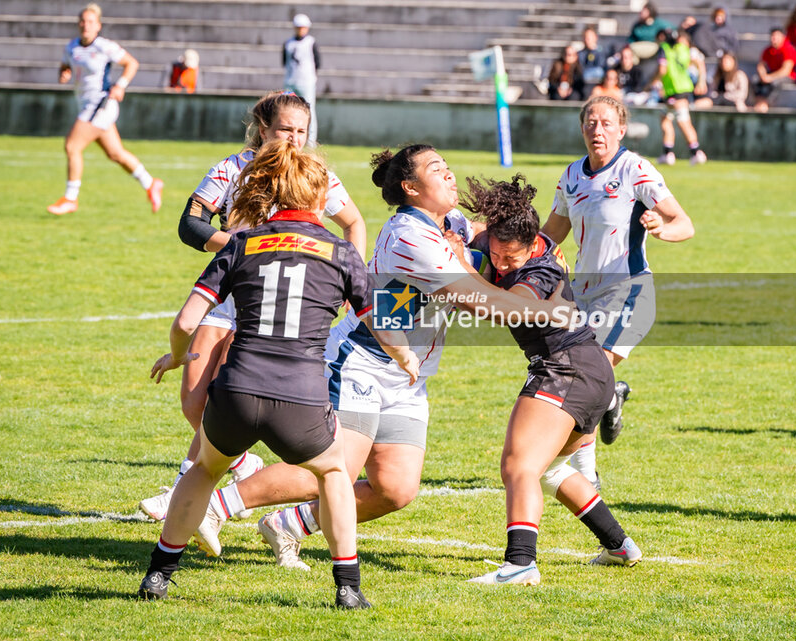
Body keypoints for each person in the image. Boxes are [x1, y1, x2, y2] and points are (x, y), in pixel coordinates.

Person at [188, 145, 577, 567]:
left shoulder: (450, 223)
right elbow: (480, 302)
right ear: (410, 188)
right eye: (436, 169)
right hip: (364, 361)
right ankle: (211, 507)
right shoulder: (411, 236)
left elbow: (484, 233)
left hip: (409, 374)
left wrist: (536, 249)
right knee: (330, 468)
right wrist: (548, 306)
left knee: (396, 488)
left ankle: (290, 526)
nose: (449, 175)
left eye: (446, 166)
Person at [136, 140, 420, 609]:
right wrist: (405, 356)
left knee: (205, 469)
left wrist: (176, 357)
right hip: (302, 399)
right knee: (332, 473)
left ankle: (159, 575)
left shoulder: (241, 243)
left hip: (238, 392)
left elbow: (187, 322)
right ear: (317, 198)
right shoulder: (341, 251)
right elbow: (381, 321)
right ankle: (347, 587)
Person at [138, 91, 367, 522]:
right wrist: (246, 248)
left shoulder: (314, 173)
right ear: (264, 130)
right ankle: (243, 464)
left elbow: (354, 222)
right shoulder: (232, 167)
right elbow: (191, 224)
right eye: (285, 129)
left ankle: (187, 492)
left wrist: (344, 280)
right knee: (193, 400)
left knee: (232, 389)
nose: (294, 139)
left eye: (302, 131)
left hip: (279, 299)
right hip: (231, 289)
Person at [455, 175, 642, 585]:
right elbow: (473, 233)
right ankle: (620, 546)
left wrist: (459, 275)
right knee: (552, 470)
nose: (503, 264)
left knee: (518, 465)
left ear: (531, 245)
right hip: (591, 374)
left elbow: (508, 307)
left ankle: (521, 563)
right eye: (498, 255)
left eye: (511, 259)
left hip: (565, 368)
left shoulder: (541, 272)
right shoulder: (501, 237)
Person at [541, 95, 695, 489]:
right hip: (582, 295)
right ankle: (611, 399)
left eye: (607, 123)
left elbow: (684, 223)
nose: (598, 130)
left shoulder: (635, 169)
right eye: (591, 123)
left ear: (621, 129)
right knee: (582, 378)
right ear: (582, 129)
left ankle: (587, 472)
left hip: (627, 290)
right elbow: (550, 234)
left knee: (588, 377)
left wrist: (662, 228)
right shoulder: (572, 176)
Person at [48, 3, 163, 216]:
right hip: (86, 105)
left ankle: (70, 199)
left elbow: (131, 63)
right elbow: (66, 66)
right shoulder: (71, 47)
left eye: (90, 22)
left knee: (72, 146)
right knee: (116, 154)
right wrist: (63, 73)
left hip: (100, 105)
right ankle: (151, 183)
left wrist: (120, 85)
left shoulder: (104, 46)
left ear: (98, 26)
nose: (86, 25)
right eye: (82, 21)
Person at [651, 29, 707, 166]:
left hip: (675, 90)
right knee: (665, 118)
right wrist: (701, 81)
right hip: (681, 89)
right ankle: (667, 153)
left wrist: (652, 81)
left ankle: (696, 152)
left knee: (683, 121)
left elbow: (662, 70)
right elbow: (699, 62)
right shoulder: (683, 48)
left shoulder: (664, 49)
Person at [283, 14, 320, 145]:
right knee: (286, 109)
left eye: (303, 27)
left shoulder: (311, 42)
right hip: (290, 81)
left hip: (306, 83)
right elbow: (285, 62)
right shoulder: (288, 43)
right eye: (298, 27)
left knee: (310, 111)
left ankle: (310, 141)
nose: (300, 30)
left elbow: (317, 62)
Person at [753, 28, 796, 113]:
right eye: (772, 36)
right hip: (771, 75)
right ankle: (759, 102)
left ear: (783, 37)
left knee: (775, 83)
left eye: (777, 36)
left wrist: (770, 77)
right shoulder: (768, 50)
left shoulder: (788, 49)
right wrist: (763, 76)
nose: (774, 39)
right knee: (755, 80)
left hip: (787, 77)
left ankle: (766, 104)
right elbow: (761, 65)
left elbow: (786, 70)